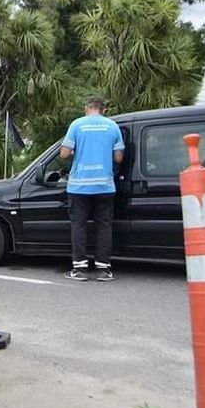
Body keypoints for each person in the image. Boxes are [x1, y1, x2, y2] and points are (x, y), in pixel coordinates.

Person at [59, 96, 124, 282]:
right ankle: (104, 269)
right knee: (104, 226)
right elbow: (119, 157)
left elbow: (64, 153)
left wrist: (73, 151)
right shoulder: (112, 126)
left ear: (86, 108)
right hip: (104, 185)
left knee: (78, 225)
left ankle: (79, 269)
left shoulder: (77, 125)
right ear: (104, 109)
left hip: (79, 186)